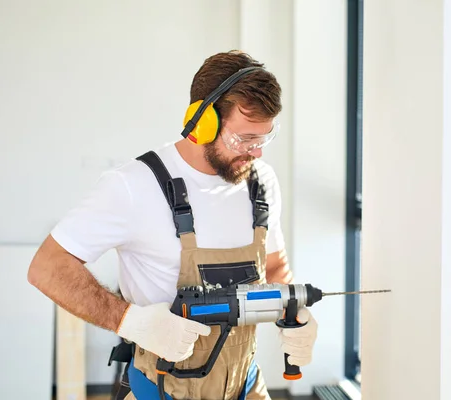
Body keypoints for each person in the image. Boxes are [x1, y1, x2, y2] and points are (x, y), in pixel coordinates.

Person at [27, 50, 318, 400]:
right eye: (243, 140)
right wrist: (130, 321)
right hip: (161, 390)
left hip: (246, 387)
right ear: (202, 123)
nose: (256, 153)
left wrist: (292, 310)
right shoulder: (134, 185)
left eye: (263, 139)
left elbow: (272, 265)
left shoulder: (261, 182)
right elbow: (47, 268)